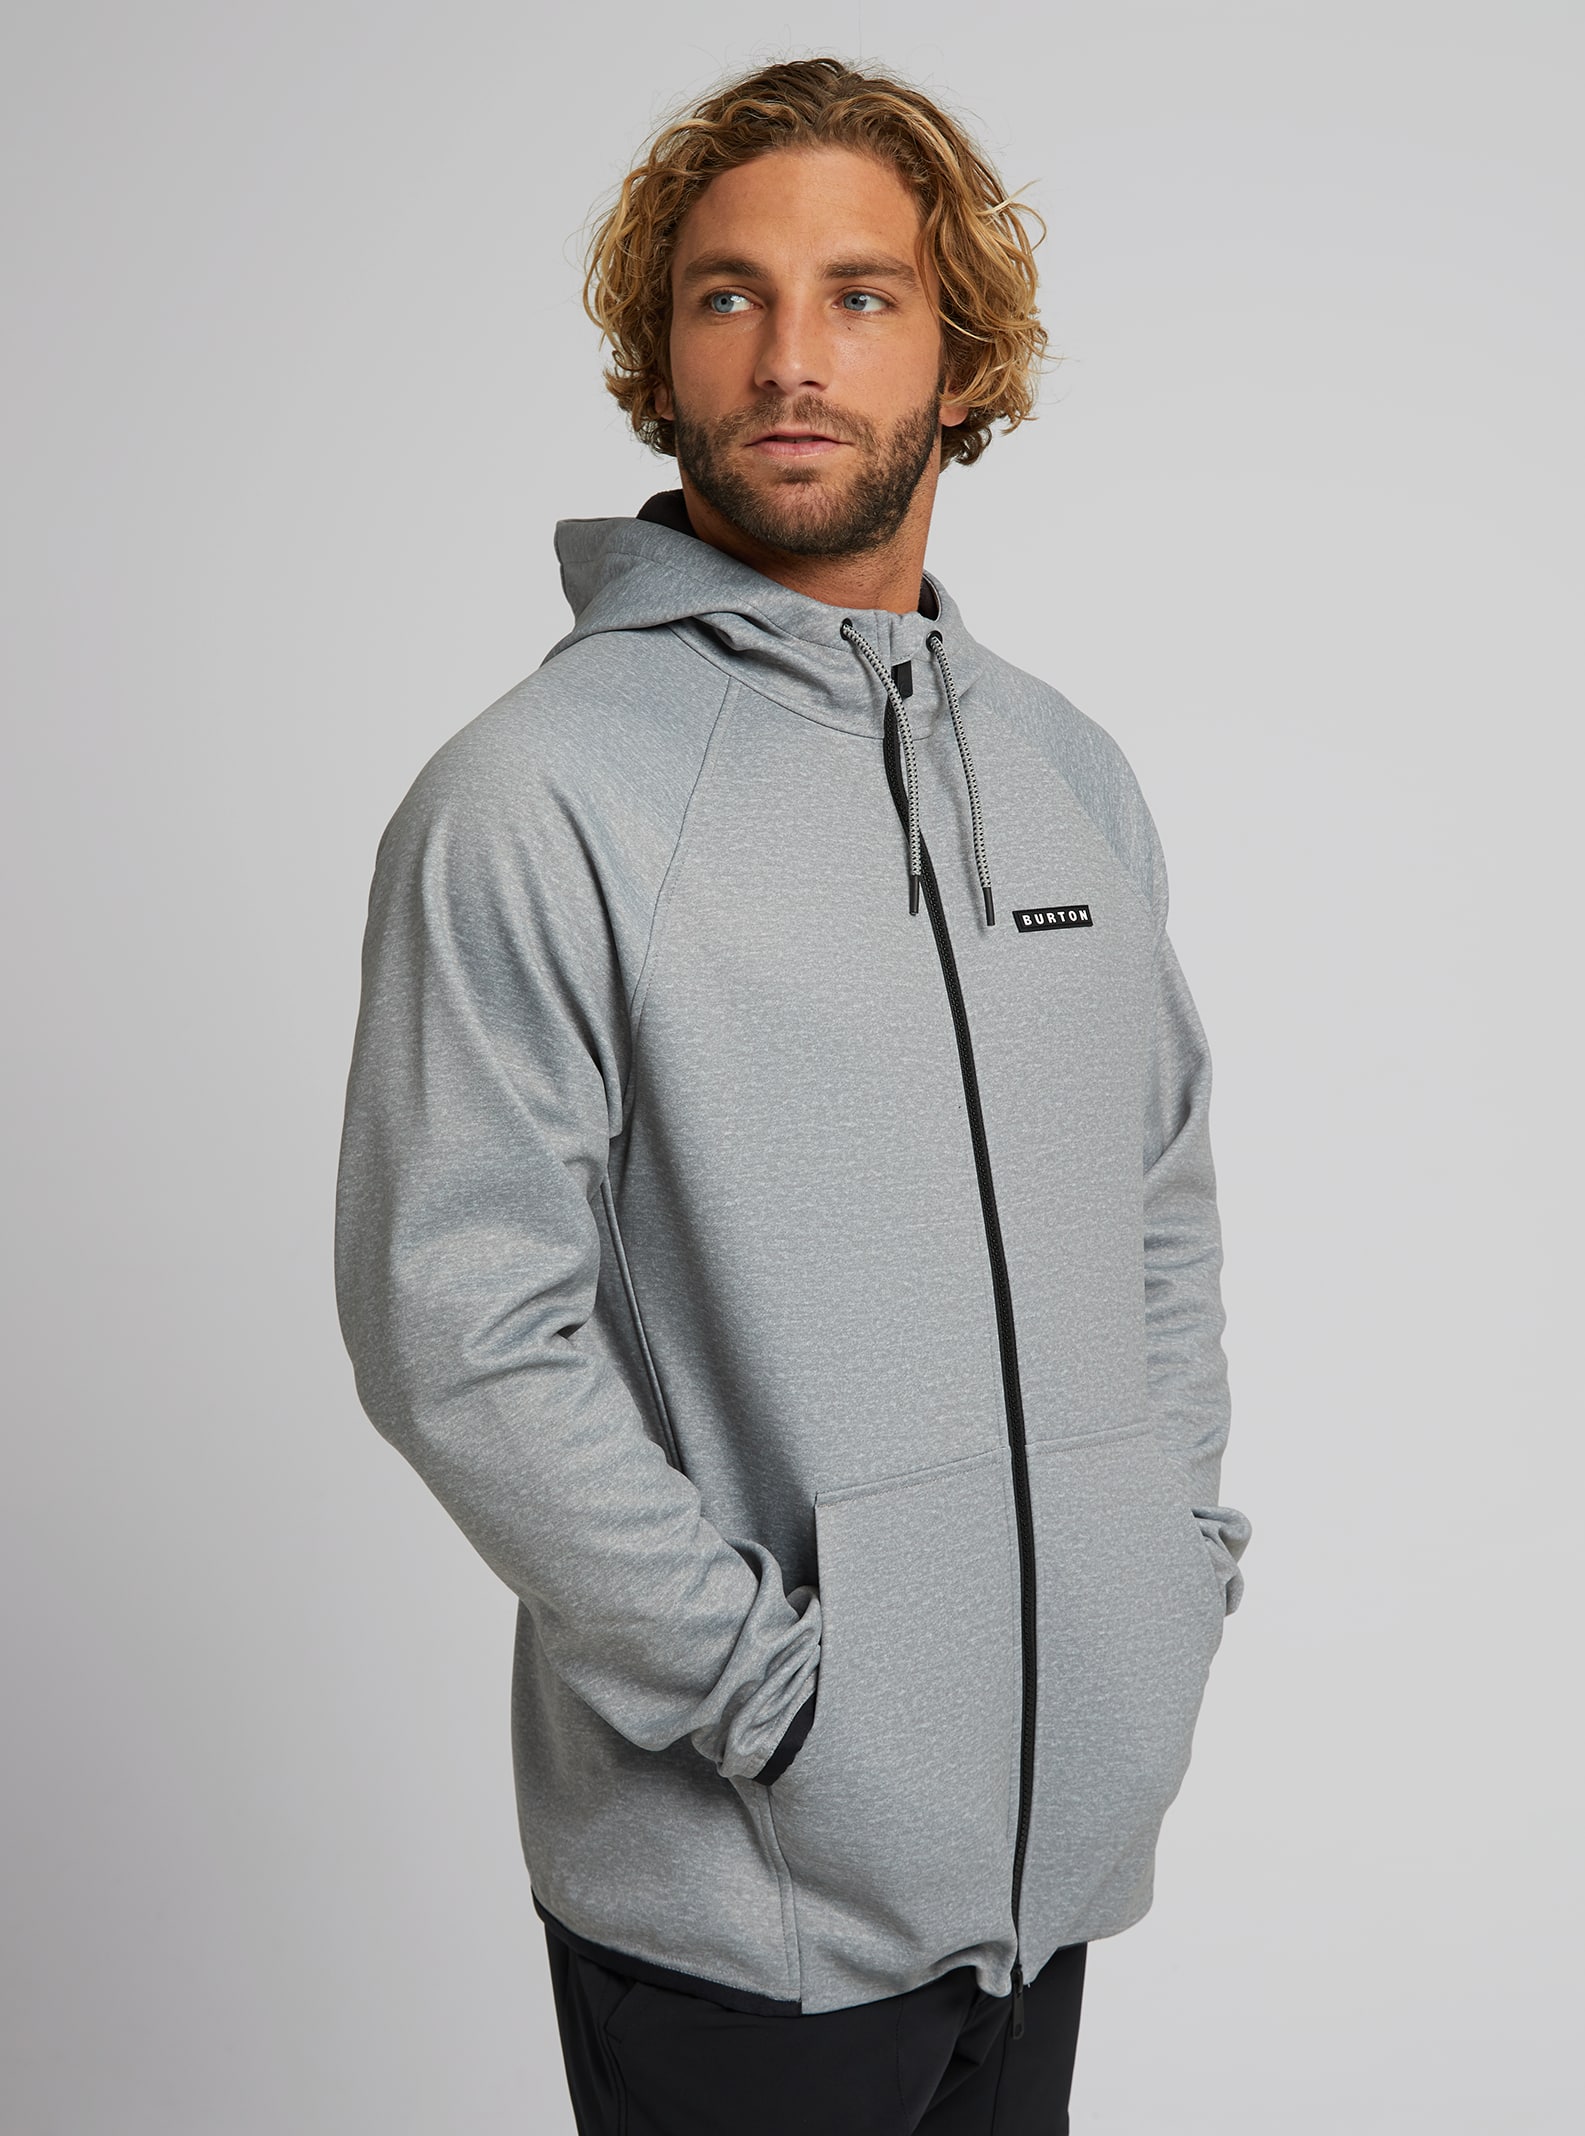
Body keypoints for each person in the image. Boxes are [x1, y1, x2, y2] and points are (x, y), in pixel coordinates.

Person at [334, 54, 1251, 2136]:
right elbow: (455, 1327)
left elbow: (1156, 1201)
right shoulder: (535, 797)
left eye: (860, 293)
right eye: (727, 296)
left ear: (961, 354)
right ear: (658, 358)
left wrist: (1161, 1574)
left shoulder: (1066, 772)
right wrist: (776, 1700)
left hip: (1047, 1877)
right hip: (738, 1899)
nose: (788, 358)